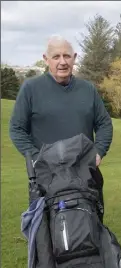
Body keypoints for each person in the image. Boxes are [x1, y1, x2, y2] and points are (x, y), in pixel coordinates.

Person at [9, 35, 113, 221]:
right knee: (50, 232)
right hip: (47, 176)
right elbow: (17, 129)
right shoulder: (31, 88)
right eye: (56, 57)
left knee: (90, 228)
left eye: (67, 56)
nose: (62, 62)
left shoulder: (87, 89)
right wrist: (36, 158)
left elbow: (104, 123)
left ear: (74, 58)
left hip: (85, 174)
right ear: (46, 59)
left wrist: (99, 151)